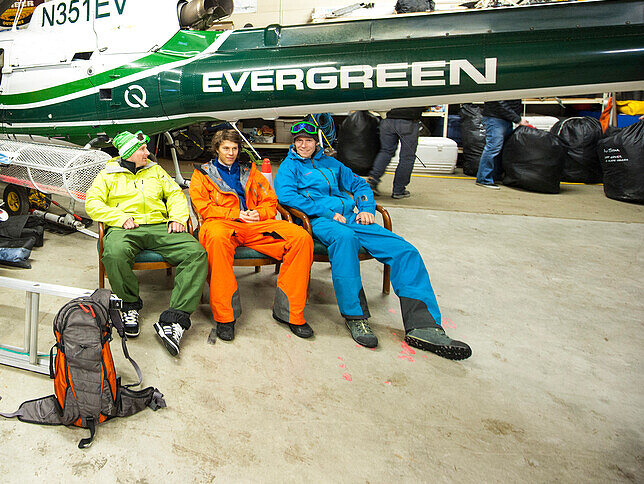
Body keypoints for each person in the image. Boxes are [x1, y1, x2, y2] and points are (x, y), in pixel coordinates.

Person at [274, 120, 471, 360]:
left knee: (405, 251)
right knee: (345, 240)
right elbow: (286, 196)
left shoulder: (331, 163)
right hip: (321, 220)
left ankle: (424, 327)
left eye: (308, 140)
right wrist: (326, 212)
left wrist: (366, 206)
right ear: (294, 143)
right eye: (299, 141)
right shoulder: (289, 167)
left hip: (353, 217)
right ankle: (356, 318)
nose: (304, 145)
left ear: (317, 142)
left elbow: (358, 184)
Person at [86, 130, 208, 357]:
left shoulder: (155, 170)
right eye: (142, 149)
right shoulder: (108, 174)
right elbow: (93, 204)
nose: (147, 152)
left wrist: (178, 218)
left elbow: (175, 194)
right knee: (114, 253)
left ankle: (175, 319)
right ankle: (129, 305)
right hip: (125, 227)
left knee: (196, 253)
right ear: (128, 152)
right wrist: (120, 218)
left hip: (159, 225)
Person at [189, 130, 314, 342]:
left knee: (301, 238)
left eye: (234, 148)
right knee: (216, 241)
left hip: (256, 224)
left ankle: (290, 313)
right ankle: (225, 317)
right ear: (217, 149)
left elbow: (270, 201)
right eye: (226, 148)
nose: (230, 153)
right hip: (223, 224)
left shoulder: (250, 171)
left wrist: (259, 213)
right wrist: (236, 214)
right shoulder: (202, 174)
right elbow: (203, 207)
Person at [368, 106, 427, 199]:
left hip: (388, 120)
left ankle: (372, 180)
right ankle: (398, 190)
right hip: (408, 122)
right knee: (407, 157)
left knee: (386, 151)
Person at [477, 100, 524, 189]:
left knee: (501, 149)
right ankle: (483, 179)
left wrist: (516, 118)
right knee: (493, 148)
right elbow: (499, 102)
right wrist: (518, 119)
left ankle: (494, 176)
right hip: (495, 117)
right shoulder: (498, 88)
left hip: (506, 118)